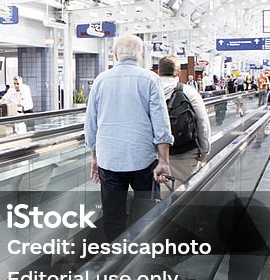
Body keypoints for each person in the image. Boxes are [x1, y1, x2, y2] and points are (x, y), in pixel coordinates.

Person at [85, 34, 173, 242]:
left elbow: (91, 124)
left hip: (109, 160)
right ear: (140, 55)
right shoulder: (150, 79)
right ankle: (142, 259)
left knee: (113, 216)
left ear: (115, 55)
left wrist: (95, 158)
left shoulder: (100, 80)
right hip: (143, 160)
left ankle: (115, 263)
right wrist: (164, 161)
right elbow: (161, 123)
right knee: (147, 213)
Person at [158, 55, 211, 183]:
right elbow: (202, 122)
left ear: (159, 71)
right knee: (185, 198)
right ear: (178, 72)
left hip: (155, 157)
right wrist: (204, 149)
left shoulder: (148, 92)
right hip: (185, 155)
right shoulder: (189, 92)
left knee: (158, 198)